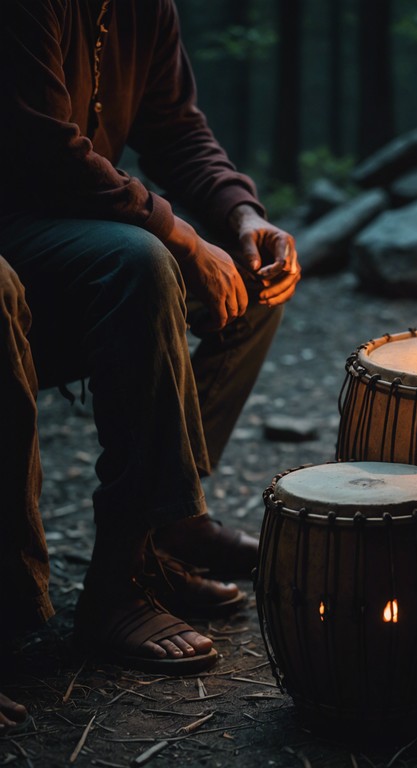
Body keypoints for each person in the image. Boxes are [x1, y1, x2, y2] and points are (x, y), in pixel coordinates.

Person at [0, 0, 301, 699]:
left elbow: (176, 127)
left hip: (82, 227)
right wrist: (181, 236)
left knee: (250, 283)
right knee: (142, 262)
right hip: (19, 223)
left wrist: (239, 214)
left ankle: (163, 533)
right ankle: (108, 588)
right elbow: (43, 150)